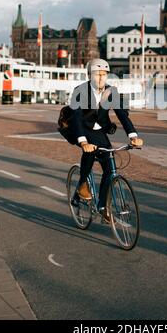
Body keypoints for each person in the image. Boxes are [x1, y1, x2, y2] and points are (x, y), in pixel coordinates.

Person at [68, 58, 143, 222]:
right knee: (89, 152)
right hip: (83, 131)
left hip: (100, 132)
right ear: (90, 75)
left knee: (110, 169)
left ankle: (102, 207)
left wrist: (133, 136)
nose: (101, 78)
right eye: (97, 74)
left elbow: (122, 115)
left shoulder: (111, 92)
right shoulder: (80, 90)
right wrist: (83, 142)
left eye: (104, 74)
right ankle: (81, 185)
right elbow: (76, 117)